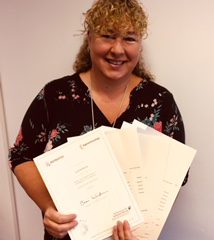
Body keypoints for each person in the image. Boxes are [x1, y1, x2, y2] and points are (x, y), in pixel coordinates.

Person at [9, 0, 188, 239]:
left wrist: (146, 225)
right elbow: (21, 155)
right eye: (108, 36)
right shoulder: (55, 96)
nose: (117, 49)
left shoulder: (160, 102)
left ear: (140, 47)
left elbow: (176, 175)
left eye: (129, 39)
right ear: (90, 39)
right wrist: (49, 207)